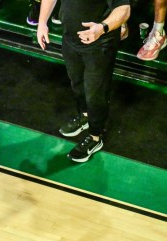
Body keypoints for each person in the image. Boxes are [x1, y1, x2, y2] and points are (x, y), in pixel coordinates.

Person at [36, 0, 131, 163]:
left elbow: (124, 9)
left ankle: (95, 137)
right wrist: (42, 23)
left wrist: (102, 28)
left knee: (96, 93)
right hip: (70, 39)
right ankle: (85, 116)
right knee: (77, 83)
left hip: (99, 44)